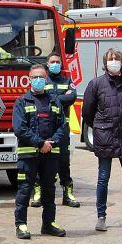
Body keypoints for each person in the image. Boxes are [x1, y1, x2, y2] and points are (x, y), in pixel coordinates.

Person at [80, 48, 122, 231]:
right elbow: (87, 112)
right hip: (105, 136)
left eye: (116, 58)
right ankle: (101, 217)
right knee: (103, 178)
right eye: (110, 58)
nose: (113, 61)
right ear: (105, 63)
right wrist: (101, 126)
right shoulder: (96, 84)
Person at [12, 64, 68, 239]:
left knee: (49, 189)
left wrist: (52, 142)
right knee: (24, 190)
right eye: (35, 77)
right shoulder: (22, 101)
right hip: (29, 155)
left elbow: (63, 126)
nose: (38, 81)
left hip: (50, 154)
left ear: (46, 80)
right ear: (29, 79)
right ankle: (21, 224)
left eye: (41, 78)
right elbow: (19, 128)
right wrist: (40, 143)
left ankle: (49, 223)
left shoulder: (54, 101)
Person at [32, 54, 81, 208]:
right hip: (45, 129)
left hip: (62, 130)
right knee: (41, 161)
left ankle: (67, 193)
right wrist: (61, 97)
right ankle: (38, 193)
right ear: (47, 64)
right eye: (52, 62)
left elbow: (72, 97)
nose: (55, 64)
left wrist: (52, 97)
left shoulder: (67, 81)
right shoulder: (42, 81)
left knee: (63, 161)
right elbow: (40, 98)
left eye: (57, 62)